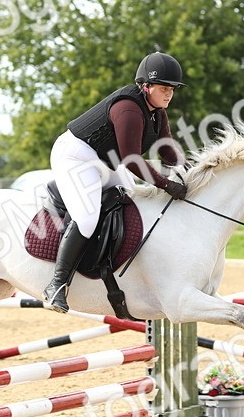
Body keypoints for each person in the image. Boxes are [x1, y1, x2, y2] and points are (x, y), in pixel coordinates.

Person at [43, 51, 187, 312]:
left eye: (172, 89)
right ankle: (56, 286)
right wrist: (166, 185)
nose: (169, 94)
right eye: (164, 88)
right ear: (146, 86)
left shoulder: (158, 113)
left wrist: (190, 172)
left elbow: (168, 152)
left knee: (133, 205)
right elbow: (131, 159)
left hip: (105, 159)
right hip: (75, 156)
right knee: (87, 218)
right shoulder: (129, 109)